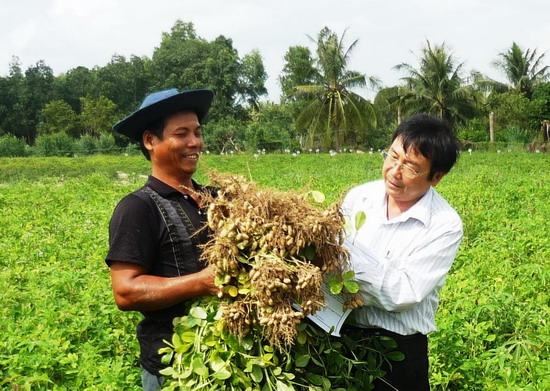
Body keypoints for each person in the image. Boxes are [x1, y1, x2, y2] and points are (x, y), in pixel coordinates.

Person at [105, 88, 219, 391]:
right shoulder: (138, 207)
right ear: (150, 140)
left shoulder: (219, 199)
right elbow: (125, 291)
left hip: (226, 361)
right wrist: (202, 282)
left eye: (197, 132)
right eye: (181, 134)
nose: (194, 142)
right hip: (175, 370)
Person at [341, 114, 463, 391]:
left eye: (410, 167)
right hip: (341, 336)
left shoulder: (444, 224)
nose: (395, 171)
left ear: (436, 177)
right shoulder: (360, 197)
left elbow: (402, 293)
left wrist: (339, 261)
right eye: (393, 157)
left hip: (398, 351)